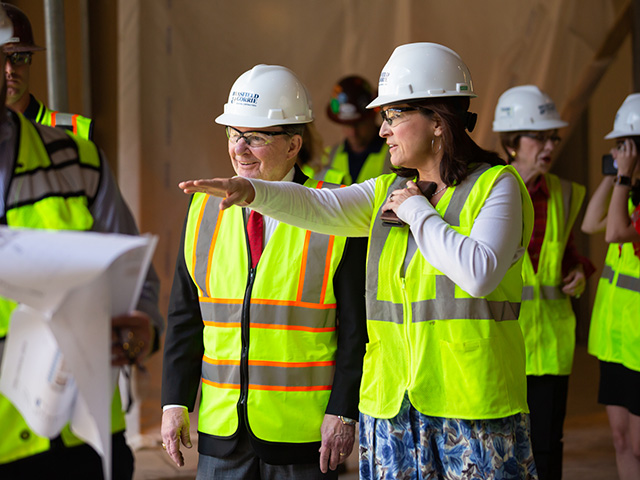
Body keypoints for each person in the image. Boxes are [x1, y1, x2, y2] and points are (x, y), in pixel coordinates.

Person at [178, 42, 539, 480]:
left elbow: (479, 273)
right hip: (392, 407)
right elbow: (317, 206)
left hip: (472, 404)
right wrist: (253, 192)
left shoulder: (496, 186)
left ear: (439, 122)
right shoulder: (385, 190)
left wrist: (417, 212)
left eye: (394, 116)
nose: (383, 130)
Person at [160, 64, 367, 480]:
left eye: (254, 137)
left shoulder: (335, 210)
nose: (239, 149)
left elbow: (355, 328)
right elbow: (186, 315)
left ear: (293, 145)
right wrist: (174, 402)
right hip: (222, 432)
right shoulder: (202, 208)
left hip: (304, 436)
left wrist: (343, 412)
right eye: (234, 135)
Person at [0, 6, 164, 479]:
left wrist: (144, 331)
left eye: (18, 59)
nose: (9, 72)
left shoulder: (79, 160)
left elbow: (137, 281)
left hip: (83, 434)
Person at [492, 85, 595, 480]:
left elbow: (567, 253)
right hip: (503, 346)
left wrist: (580, 272)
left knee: (548, 444)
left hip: (550, 346)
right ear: (512, 142)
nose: (549, 144)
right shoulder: (487, 190)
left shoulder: (564, 194)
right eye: (539, 136)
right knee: (503, 447)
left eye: (553, 136)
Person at [581, 93, 640, 480]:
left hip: (637, 344)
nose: (622, 153)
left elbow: (616, 232)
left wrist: (622, 175)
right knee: (620, 440)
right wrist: (613, 175)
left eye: (628, 147)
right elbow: (591, 223)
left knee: (638, 444)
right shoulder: (629, 194)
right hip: (614, 339)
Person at [2, 2, 93, 139]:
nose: (9, 70)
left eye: (19, 58)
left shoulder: (77, 131)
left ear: (30, 60)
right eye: (1, 59)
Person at [302, 75, 390, 184]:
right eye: (347, 125)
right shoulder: (327, 158)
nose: (353, 132)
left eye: (358, 124)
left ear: (373, 116)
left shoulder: (395, 155)